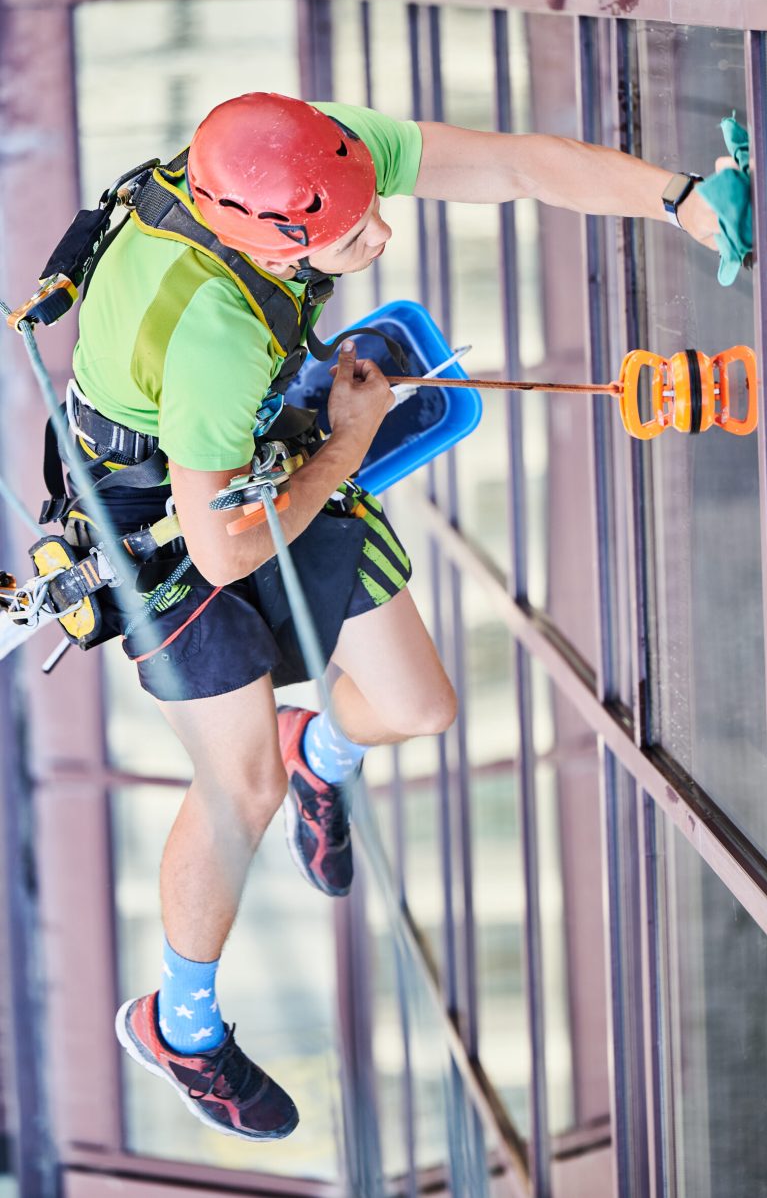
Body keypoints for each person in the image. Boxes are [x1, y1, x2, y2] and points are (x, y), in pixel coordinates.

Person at [68, 92, 719, 1141]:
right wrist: (347, 438)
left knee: (418, 709)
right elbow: (219, 549)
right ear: (276, 243)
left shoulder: (293, 154)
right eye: (349, 235)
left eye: (370, 209)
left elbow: (512, 164)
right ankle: (178, 1025)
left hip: (263, 447)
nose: (380, 232)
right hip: (163, 511)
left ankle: (321, 745)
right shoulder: (216, 338)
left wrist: (675, 199)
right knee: (242, 784)